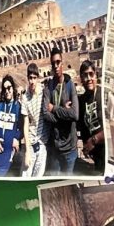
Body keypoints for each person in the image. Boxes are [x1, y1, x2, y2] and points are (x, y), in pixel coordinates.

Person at [42, 48, 79, 176]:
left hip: (70, 148)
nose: (56, 66)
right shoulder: (48, 88)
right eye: (53, 63)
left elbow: (75, 114)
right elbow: (45, 113)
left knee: (68, 183)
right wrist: (64, 112)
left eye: (58, 62)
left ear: (62, 63)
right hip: (55, 147)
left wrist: (55, 109)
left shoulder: (70, 86)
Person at [20, 62, 48, 178]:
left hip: (42, 143)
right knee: (25, 175)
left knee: (38, 177)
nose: (32, 81)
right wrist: (27, 151)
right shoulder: (25, 98)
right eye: (30, 78)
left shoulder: (43, 93)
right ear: (27, 78)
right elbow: (25, 125)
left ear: (38, 78)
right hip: (30, 143)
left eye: (34, 78)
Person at [77, 63, 105, 169]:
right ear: (81, 78)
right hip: (95, 156)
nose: (88, 78)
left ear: (95, 75)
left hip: (104, 150)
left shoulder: (102, 95)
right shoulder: (82, 100)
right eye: (85, 75)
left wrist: (94, 140)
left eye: (91, 74)